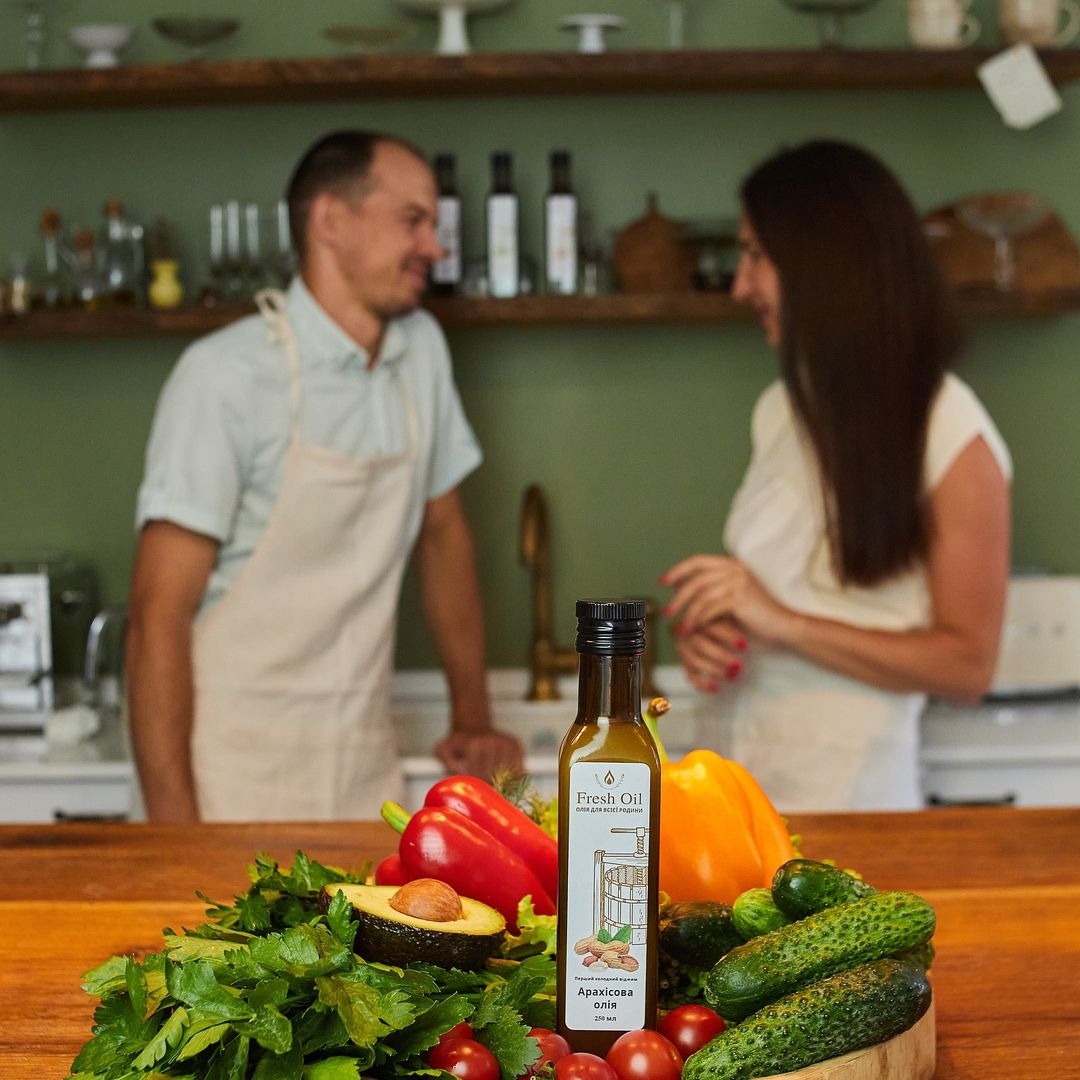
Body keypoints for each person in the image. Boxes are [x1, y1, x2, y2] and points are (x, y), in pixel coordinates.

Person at [127, 130, 522, 823]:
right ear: (331, 222)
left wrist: (474, 715)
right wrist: (171, 831)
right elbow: (158, 615)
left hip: (361, 769)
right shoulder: (223, 376)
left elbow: (442, 534)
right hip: (226, 775)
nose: (436, 247)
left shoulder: (421, 351)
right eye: (414, 221)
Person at [661, 140, 1012, 812]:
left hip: (855, 808)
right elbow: (770, 605)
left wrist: (781, 622)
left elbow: (968, 666)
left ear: (825, 264)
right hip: (741, 787)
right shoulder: (781, 411)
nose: (740, 285)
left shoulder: (950, 429)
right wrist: (719, 634)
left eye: (757, 255)